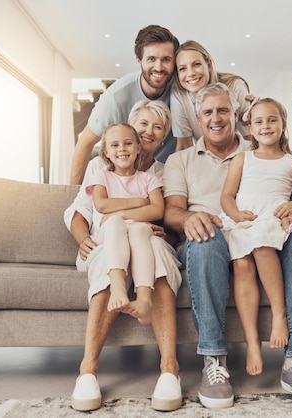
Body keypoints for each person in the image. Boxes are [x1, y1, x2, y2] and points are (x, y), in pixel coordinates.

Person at [163, 83, 292, 409]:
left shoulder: (262, 154)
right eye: (208, 112)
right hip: (216, 233)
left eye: (222, 110)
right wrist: (190, 218)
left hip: (268, 227)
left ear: (236, 116)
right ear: (198, 118)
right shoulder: (180, 160)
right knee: (204, 237)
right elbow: (170, 211)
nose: (215, 118)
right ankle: (214, 361)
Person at [65, 100, 182, 412]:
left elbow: (167, 218)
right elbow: (83, 211)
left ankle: (169, 369)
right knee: (106, 255)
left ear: (163, 137)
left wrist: (165, 232)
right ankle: (87, 370)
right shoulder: (99, 169)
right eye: (143, 124)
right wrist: (83, 238)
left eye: (158, 127)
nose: (149, 131)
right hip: (107, 239)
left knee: (157, 249)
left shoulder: (161, 171)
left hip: (146, 240)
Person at [219, 98, 292, 376]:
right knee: (241, 265)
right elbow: (226, 195)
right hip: (243, 220)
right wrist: (235, 214)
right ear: (250, 127)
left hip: (271, 220)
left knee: (262, 245)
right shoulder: (243, 158)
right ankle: (252, 342)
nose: (266, 126)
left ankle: (278, 314)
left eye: (272, 120)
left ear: (283, 124)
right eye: (259, 121)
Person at [70, 25, 179, 185]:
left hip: (161, 174)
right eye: (151, 59)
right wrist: (73, 196)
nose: (159, 67)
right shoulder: (116, 98)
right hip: (121, 173)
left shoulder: (183, 87)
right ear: (139, 61)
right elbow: (85, 143)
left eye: (166, 60)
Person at [85, 123, 164, 325]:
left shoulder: (148, 179)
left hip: (137, 231)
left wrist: (118, 212)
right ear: (106, 151)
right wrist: (138, 202)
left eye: (128, 143)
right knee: (114, 224)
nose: (122, 149)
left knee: (139, 229)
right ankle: (118, 287)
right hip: (110, 232)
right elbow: (102, 204)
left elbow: (157, 210)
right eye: (115, 145)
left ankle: (144, 301)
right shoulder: (102, 177)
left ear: (138, 148)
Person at [170, 40, 252, 151]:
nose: (191, 73)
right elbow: (184, 146)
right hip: (206, 156)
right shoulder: (178, 94)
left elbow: (250, 137)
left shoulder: (235, 86)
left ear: (208, 65)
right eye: (182, 68)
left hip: (237, 153)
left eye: (197, 64)